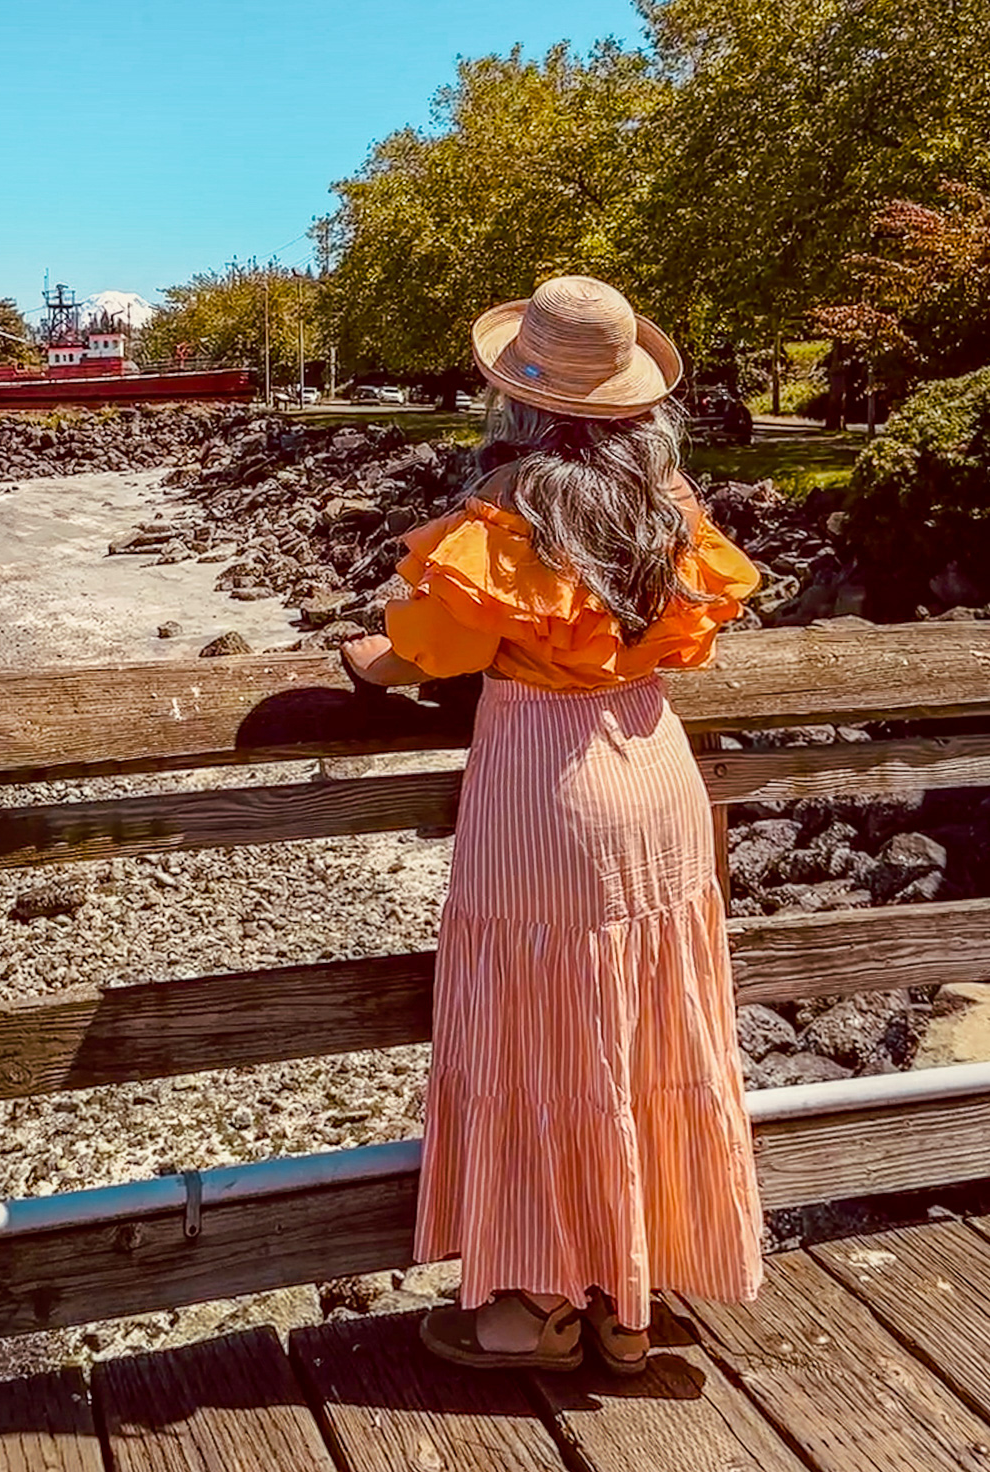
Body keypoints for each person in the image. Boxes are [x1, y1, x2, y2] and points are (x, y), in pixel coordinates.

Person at [342, 275, 763, 1374]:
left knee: (541, 1029)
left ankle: (536, 1304)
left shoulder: (518, 517)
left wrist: (363, 661)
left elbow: (433, 643)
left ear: (520, 404)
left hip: (548, 785)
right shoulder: (664, 509)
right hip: (653, 771)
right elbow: (681, 638)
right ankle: (633, 1297)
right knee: (643, 1023)